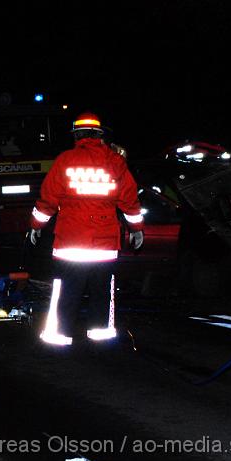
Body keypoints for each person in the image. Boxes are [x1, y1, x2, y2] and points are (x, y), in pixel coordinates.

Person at [29, 112, 144, 346]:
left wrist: (36, 225)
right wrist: (137, 229)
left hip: (70, 243)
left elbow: (48, 199)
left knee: (66, 290)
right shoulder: (115, 162)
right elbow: (130, 201)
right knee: (102, 291)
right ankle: (100, 335)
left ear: (77, 136)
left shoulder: (65, 160)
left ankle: (59, 335)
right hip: (103, 244)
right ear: (100, 135)